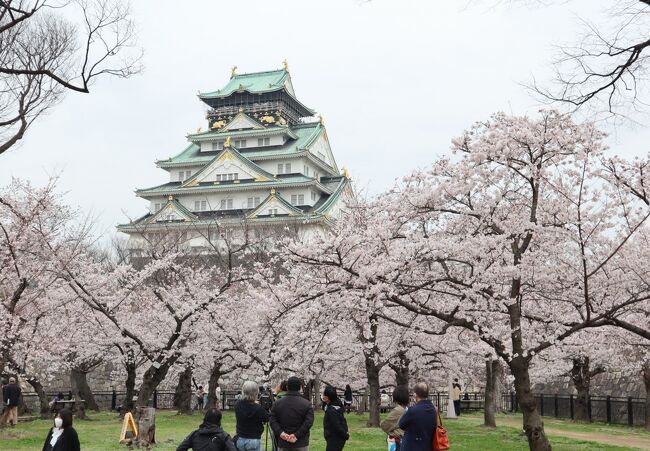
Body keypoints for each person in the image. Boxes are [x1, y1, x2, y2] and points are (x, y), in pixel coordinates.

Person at [269, 376, 314, 451]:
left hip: (283, 441)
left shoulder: (277, 403)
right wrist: (296, 435)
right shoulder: (307, 404)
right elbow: (308, 423)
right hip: (301, 443)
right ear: (300, 387)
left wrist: (281, 433)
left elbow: (272, 420)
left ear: (287, 387)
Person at [398, 382, 437, 451]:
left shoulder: (413, 410)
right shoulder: (433, 409)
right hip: (427, 446)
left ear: (415, 395)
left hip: (412, 446)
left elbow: (401, 424)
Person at [234, 380, 270, 451]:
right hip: (253, 439)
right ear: (256, 393)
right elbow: (267, 418)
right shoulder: (258, 408)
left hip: (240, 438)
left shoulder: (237, 404)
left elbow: (247, 407)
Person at [380, 385, 408, 451]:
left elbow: (384, 425)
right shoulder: (408, 410)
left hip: (398, 441)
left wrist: (392, 431)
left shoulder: (397, 410)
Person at [322, 386, 349, 451]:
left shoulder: (331, 410)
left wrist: (345, 435)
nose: (322, 396)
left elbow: (336, 425)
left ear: (328, 397)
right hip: (336, 438)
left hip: (335, 438)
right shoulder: (336, 404)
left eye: (324, 394)